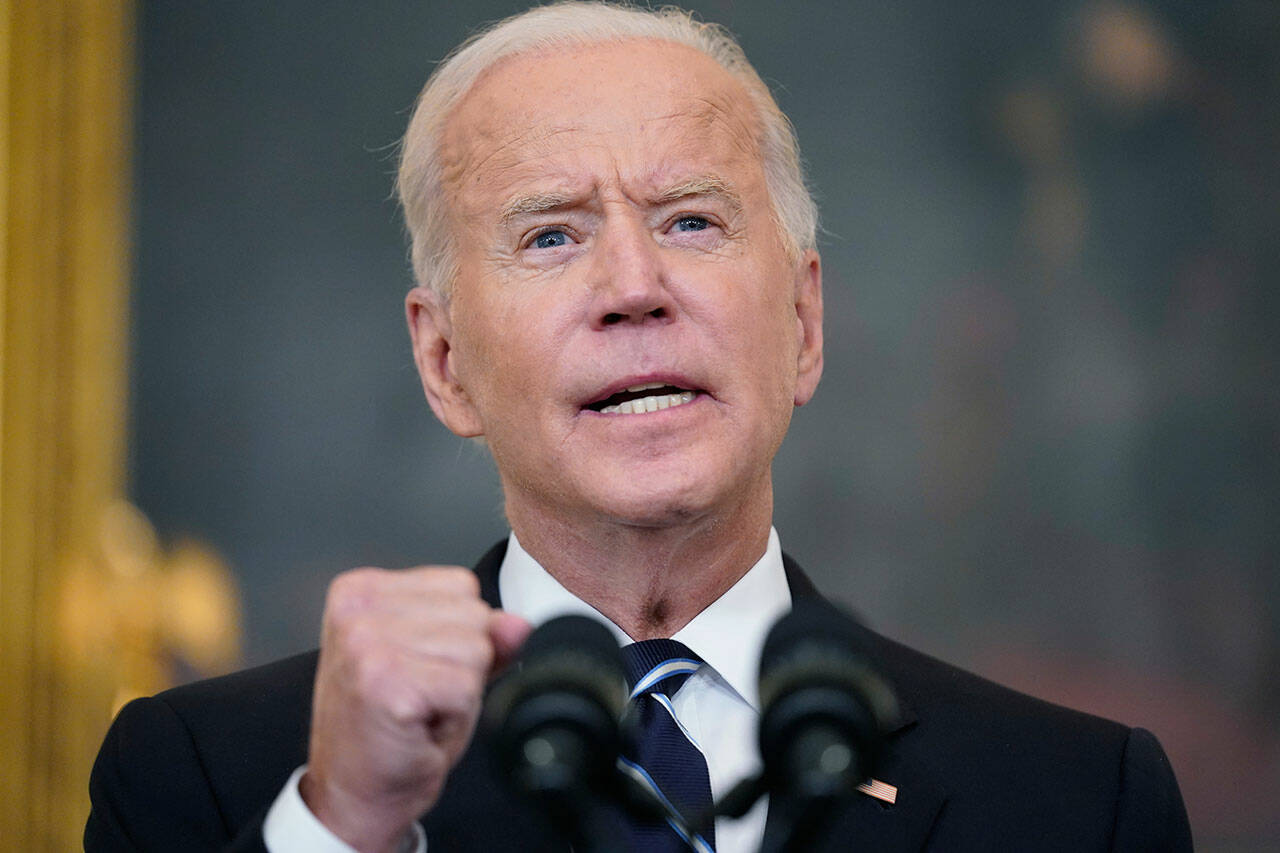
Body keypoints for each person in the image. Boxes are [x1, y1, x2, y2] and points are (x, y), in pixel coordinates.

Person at [85, 3, 1192, 851]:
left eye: (691, 220)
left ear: (802, 322)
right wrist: (351, 823)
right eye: (552, 236)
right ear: (444, 360)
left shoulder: (1076, 798)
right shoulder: (220, 774)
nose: (634, 284)